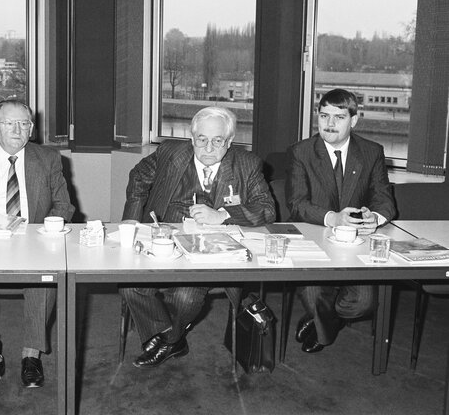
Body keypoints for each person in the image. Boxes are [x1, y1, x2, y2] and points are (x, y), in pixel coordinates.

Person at [120, 106, 275, 369]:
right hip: (164, 238)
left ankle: (168, 340)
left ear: (229, 143)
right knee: (129, 283)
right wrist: (133, 219)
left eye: (217, 141)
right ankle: (170, 335)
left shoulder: (247, 165)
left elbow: (267, 209)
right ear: (192, 139)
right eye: (201, 139)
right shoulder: (170, 153)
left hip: (211, 251)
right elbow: (138, 178)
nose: (208, 148)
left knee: (186, 297)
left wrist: (224, 215)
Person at [0, 99, 75, 394]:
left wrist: (43, 232)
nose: (18, 130)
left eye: (24, 124)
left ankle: (31, 354)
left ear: (31, 128)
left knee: (45, 277)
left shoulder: (49, 159)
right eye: (10, 123)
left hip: (35, 239)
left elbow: (64, 206)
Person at [287, 88, 396, 353]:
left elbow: (384, 199)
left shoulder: (371, 152)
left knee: (363, 303)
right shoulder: (301, 152)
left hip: (356, 245)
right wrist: (333, 218)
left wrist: (376, 217)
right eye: (324, 116)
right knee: (313, 296)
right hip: (314, 238)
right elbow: (296, 204)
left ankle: (322, 320)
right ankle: (323, 324)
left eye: (339, 117)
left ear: (354, 120)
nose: (330, 124)